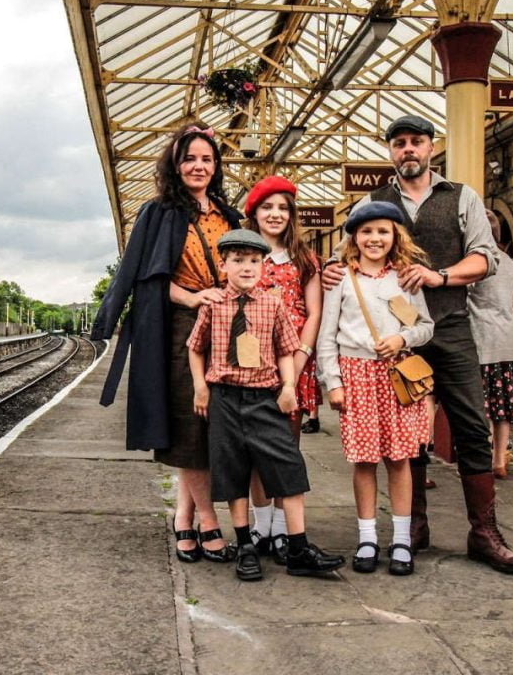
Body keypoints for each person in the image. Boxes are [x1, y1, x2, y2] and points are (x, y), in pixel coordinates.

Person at [322, 114, 513, 574]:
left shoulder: (461, 196)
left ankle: (484, 532)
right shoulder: (375, 201)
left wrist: (441, 276)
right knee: (406, 437)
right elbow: (346, 257)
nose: (408, 150)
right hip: (394, 340)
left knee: (472, 426)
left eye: (416, 142)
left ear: (431, 147)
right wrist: (330, 269)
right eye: (399, 143)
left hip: (450, 325)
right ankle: (410, 526)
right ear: (391, 151)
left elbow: (486, 258)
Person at [91, 122, 242, 565]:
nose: (199, 166)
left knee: (214, 428)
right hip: (182, 328)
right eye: (190, 158)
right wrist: (194, 296)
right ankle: (209, 523)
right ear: (175, 166)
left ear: (216, 167)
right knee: (190, 427)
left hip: (228, 331)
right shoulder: (157, 212)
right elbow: (148, 277)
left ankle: (183, 519)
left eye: (207, 159)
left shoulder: (227, 216)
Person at [187, 229, 344, 581]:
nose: (247, 267)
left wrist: (288, 385)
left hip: (264, 398)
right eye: (238, 261)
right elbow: (195, 347)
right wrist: (200, 387)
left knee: (289, 468)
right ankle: (245, 546)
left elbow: (286, 348)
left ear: (263, 264)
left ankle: (299, 547)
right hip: (224, 399)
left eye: (254, 261)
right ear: (223, 264)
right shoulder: (213, 304)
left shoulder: (273, 303)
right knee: (233, 472)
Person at [317, 202, 435, 576]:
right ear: (354, 236)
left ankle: (401, 539)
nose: (374, 238)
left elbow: (425, 326)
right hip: (356, 378)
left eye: (383, 231)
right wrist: (333, 383)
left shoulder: (404, 278)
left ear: (395, 236)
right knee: (364, 461)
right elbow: (326, 338)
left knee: (399, 459)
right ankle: (367, 537)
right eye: (367, 232)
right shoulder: (341, 279)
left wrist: (402, 338)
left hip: (396, 377)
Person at [241, 175, 324, 561]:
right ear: (253, 213)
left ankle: (279, 525)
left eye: (283, 208)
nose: (275, 214)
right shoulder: (243, 255)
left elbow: (314, 311)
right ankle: (263, 527)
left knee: (286, 449)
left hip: (295, 366)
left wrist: (301, 357)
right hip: (253, 366)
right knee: (255, 450)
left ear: (292, 215)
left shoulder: (306, 260)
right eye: (267, 207)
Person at [468, 210, 513, 479]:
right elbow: (511, 301)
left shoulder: (475, 263)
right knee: (502, 407)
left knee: (478, 406)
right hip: (508, 342)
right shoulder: (511, 265)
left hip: (480, 340)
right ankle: (499, 461)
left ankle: (478, 457)